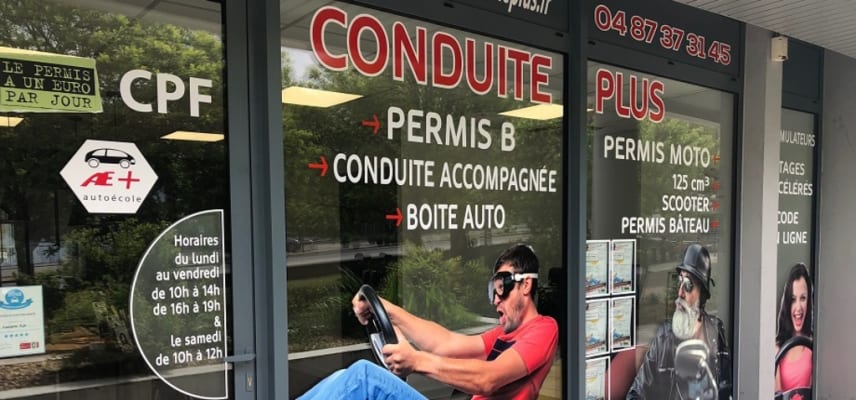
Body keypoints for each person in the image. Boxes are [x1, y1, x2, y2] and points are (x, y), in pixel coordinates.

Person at [298, 244, 559, 400]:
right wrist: (386, 308)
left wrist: (415, 361)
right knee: (344, 378)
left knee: (364, 377)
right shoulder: (503, 335)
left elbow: (488, 379)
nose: (495, 300)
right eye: (493, 290)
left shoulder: (544, 329)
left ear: (526, 285)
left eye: (502, 287)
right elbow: (446, 343)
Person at [627, 243, 731, 400]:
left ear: (702, 294)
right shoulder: (664, 338)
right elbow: (635, 394)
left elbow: (726, 388)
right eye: (679, 282)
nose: (680, 292)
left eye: (688, 285)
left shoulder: (716, 330)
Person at [774, 263, 813, 394]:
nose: (798, 307)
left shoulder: (814, 345)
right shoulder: (777, 348)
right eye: (793, 299)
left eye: (803, 298)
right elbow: (776, 395)